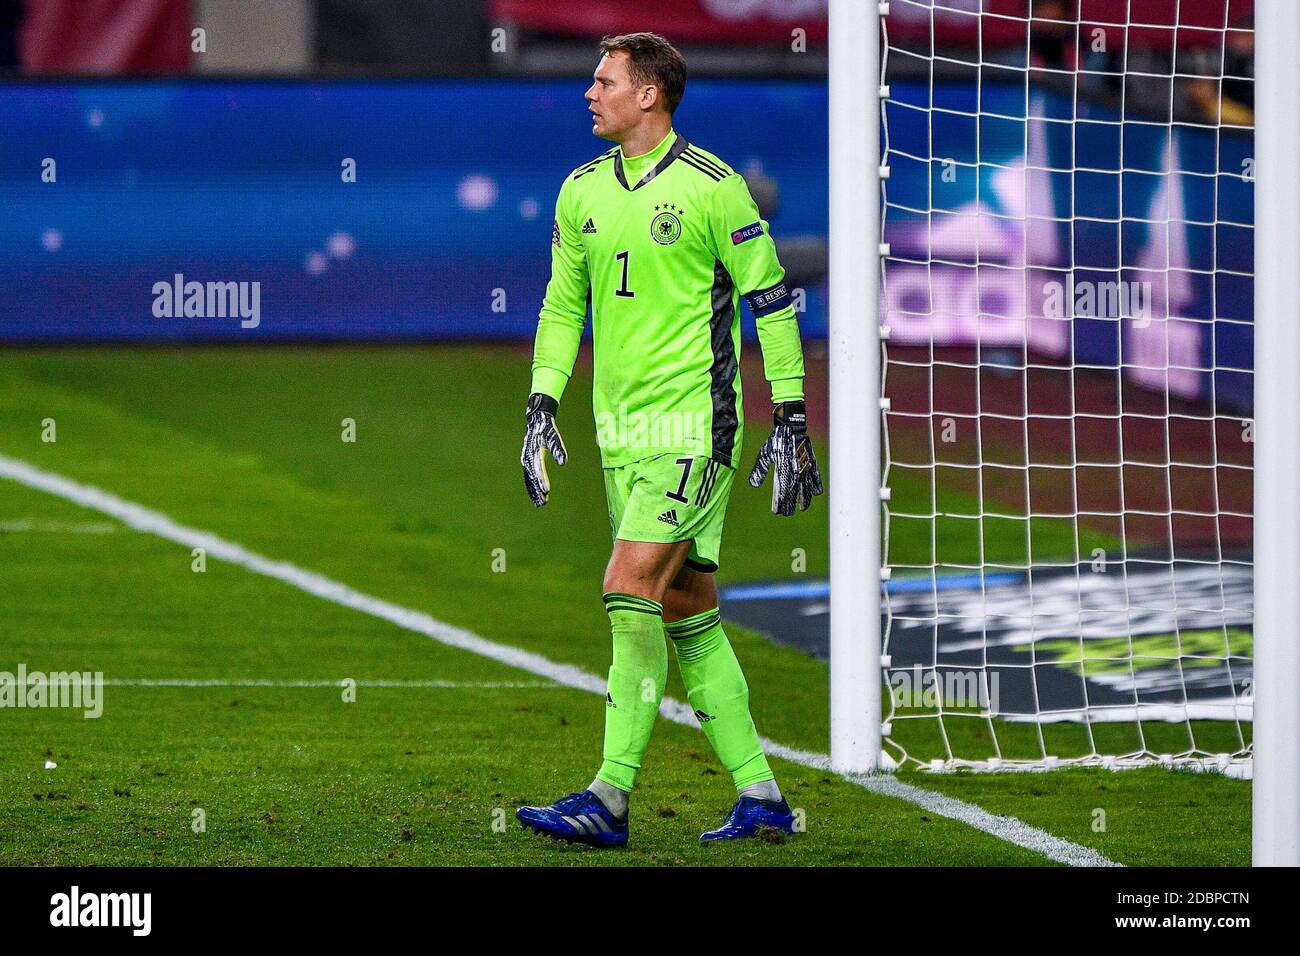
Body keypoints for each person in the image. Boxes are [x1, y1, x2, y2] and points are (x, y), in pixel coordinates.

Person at [515, 32, 822, 847]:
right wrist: (543, 399)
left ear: (648, 93)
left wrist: (789, 413)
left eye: (604, 80)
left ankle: (609, 798)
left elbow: (774, 302)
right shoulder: (579, 191)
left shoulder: (715, 189)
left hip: (693, 429)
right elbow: (560, 306)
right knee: (688, 614)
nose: (589, 92)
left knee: (627, 588)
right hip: (619, 433)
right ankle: (762, 796)